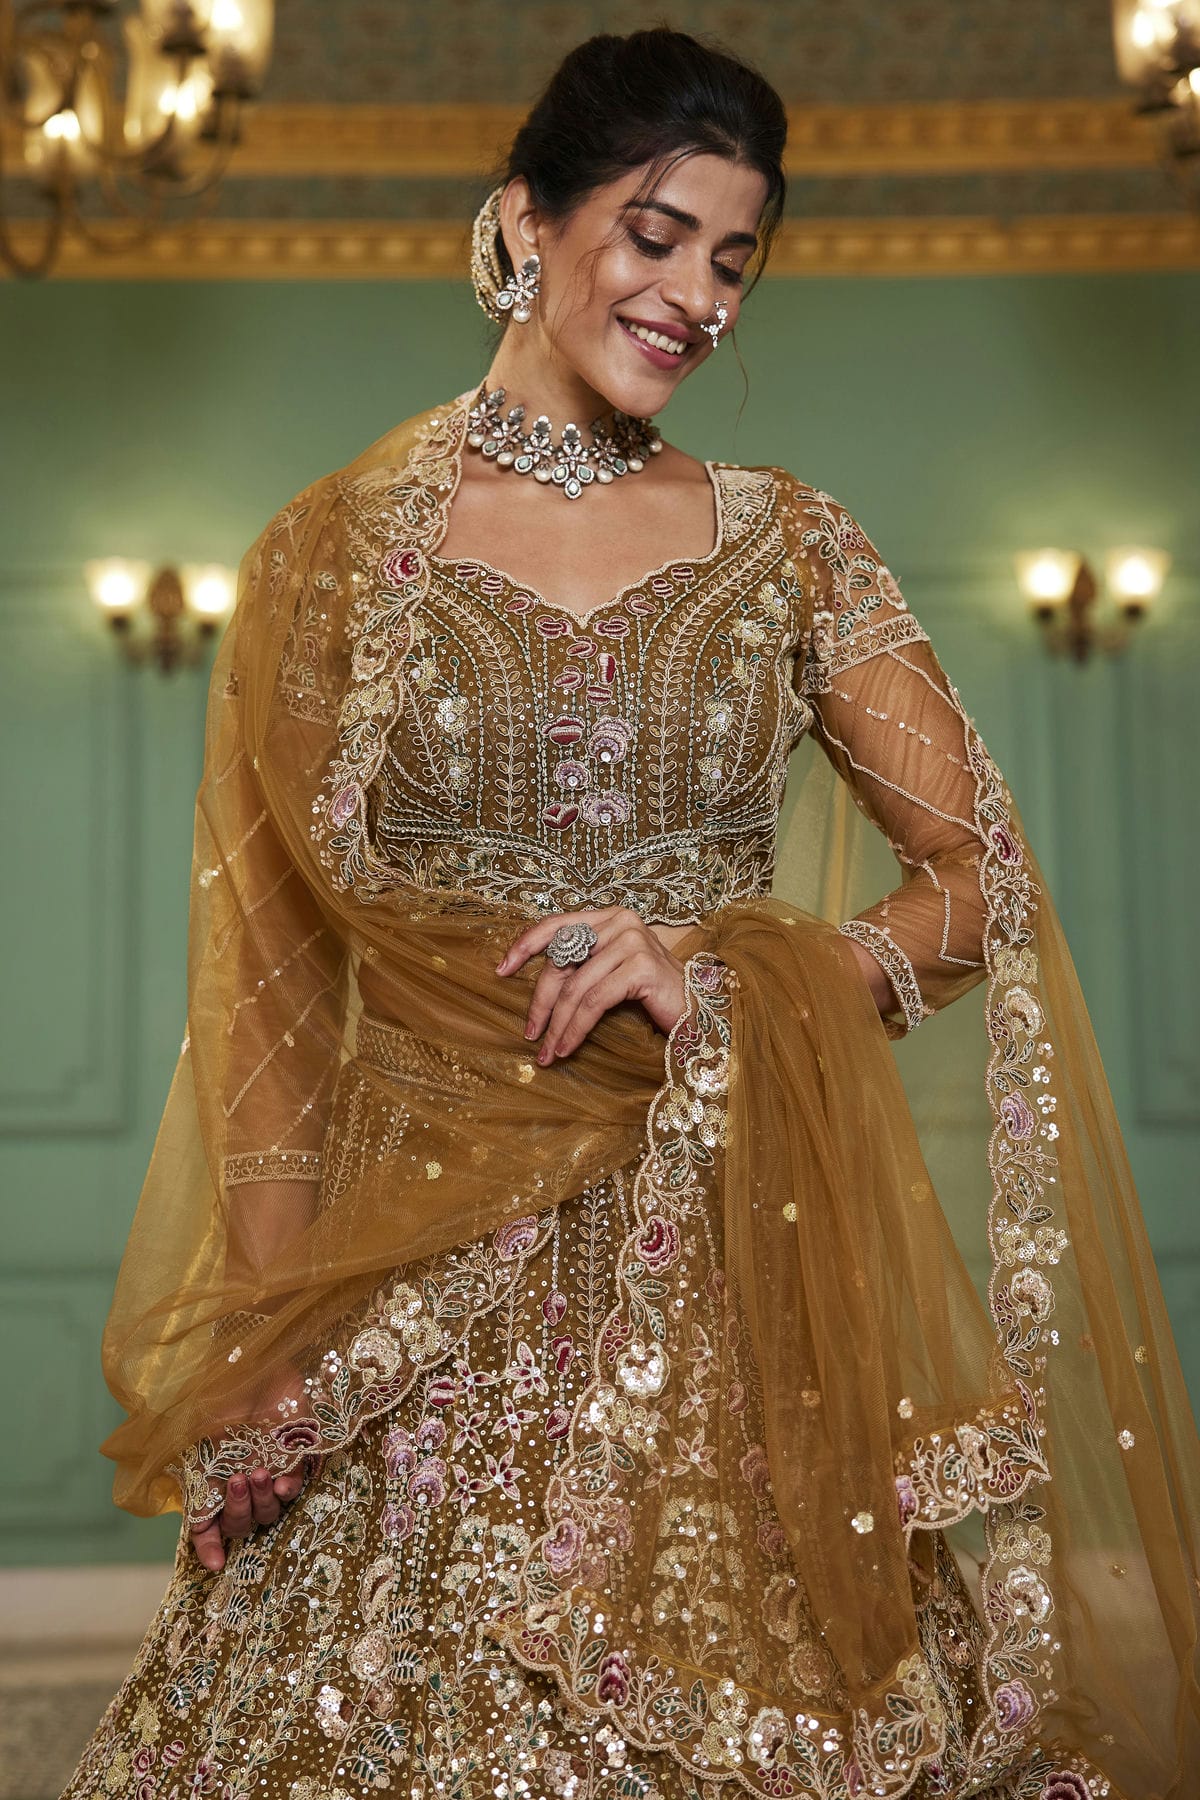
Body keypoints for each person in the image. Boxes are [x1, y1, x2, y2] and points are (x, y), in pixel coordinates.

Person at [63, 28, 1199, 1800]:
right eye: (656, 236)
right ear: (527, 219)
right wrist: (268, 1356)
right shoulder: (334, 552)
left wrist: (740, 970)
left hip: (723, 1273)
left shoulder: (790, 547)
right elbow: (277, 997)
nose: (695, 300)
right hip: (404, 1296)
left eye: (734, 261)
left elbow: (986, 881)